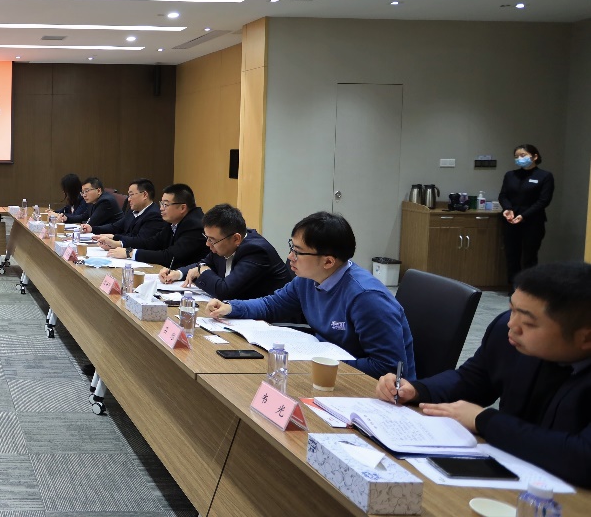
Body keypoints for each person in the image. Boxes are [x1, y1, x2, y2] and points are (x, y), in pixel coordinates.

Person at [375, 262, 591, 487]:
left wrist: (484, 420)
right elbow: (473, 379)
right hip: (513, 470)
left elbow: (582, 457)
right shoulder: (508, 334)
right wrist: (417, 390)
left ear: (586, 338)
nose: (512, 324)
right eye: (512, 309)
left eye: (528, 322)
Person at [202, 212, 416, 379]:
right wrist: (231, 307)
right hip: (327, 374)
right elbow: (271, 305)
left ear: (328, 261)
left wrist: (317, 362)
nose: (290, 257)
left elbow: (387, 368)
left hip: (368, 388)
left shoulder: (366, 297)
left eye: (298, 252)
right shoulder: (307, 279)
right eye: (291, 247)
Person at [164, 204, 292, 300]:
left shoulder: (256, 251)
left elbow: (225, 291)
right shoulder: (224, 243)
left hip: (271, 321)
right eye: (207, 237)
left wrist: (202, 271)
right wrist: (177, 273)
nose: (207, 244)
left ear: (236, 239)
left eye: (212, 240)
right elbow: (204, 264)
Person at [105, 183, 208, 268]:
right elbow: (152, 242)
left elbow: (170, 256)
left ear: (182, 208)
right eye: (161, 204)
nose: (161, 208)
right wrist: (119, 243)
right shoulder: (173, 220)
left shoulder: (195, 226)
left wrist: (130, 253)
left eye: (166, 205)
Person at [499, 144, 555, 287]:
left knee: (529, 257)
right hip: (511, 220)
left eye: (523, 155)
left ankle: (528, 289)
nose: (519, 159)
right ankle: (513, 288)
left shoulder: (545, 176)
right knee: (512, 256)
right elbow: (503, 195)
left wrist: (524, 216)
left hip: (533, 221)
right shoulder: (510, 175)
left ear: (535, 156)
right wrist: (507, 209)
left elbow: (543, 201)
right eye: (516, 156)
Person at [83, 178, 163, 242]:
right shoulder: (133, 210)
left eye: (131, 195)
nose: (129, 199)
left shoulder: (154, 215)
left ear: (144, 195)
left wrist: (114, 237)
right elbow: (115, 227)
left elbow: (140, 240)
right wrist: (92, 229)